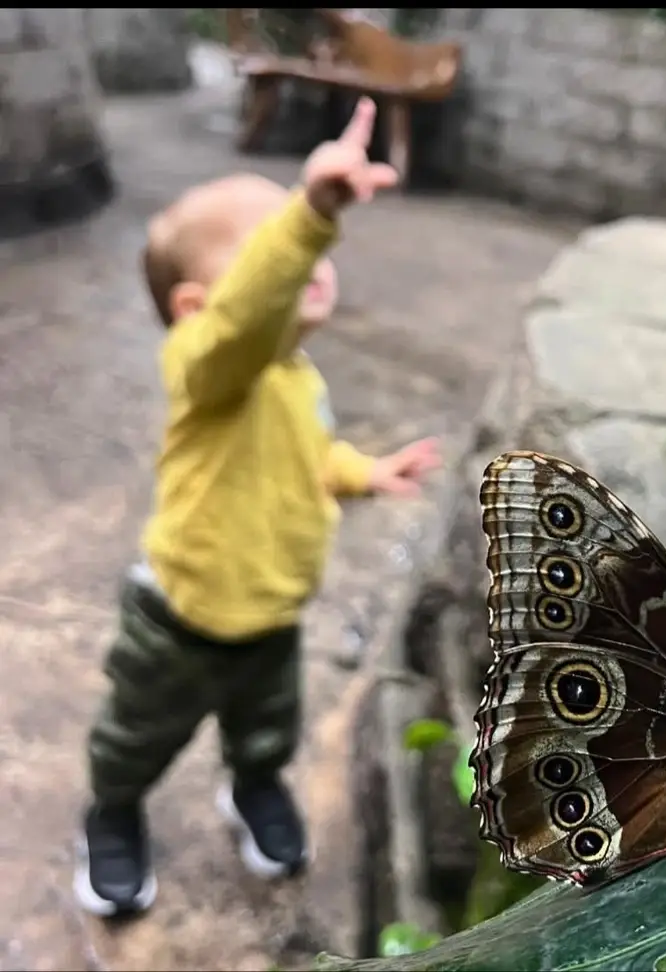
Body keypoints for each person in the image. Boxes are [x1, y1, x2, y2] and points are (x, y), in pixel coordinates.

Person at [73, 97, 442, 917]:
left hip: (273, 612)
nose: (297, 252)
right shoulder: (207, 374)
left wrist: (362, 471)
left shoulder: (294, 377)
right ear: (197, 310)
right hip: (182, 618)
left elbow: (307, 453)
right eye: (262, 247)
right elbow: (245, 321)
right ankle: (114, 808)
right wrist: (310, 213)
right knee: (137, 733)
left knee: (267, 722)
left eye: (292, 232)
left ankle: (254, 785)